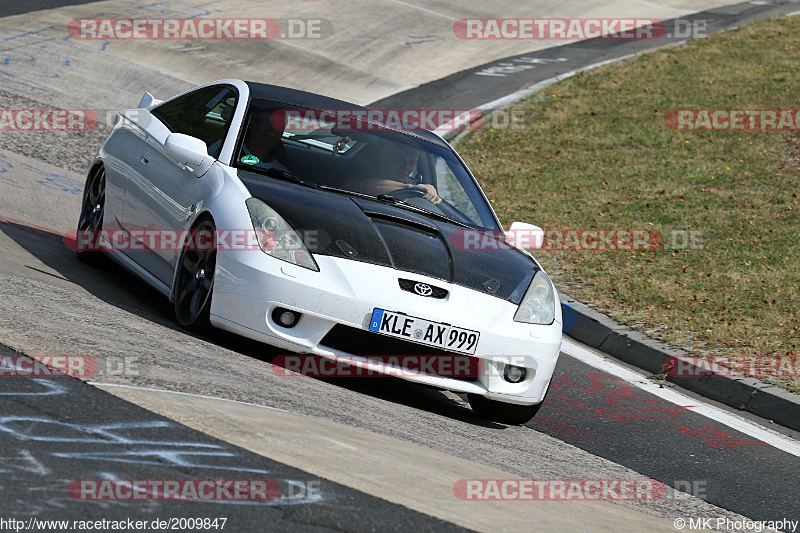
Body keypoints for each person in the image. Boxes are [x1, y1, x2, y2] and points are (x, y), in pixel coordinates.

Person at [348, 143, 441, 205]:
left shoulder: (415, 189)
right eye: (400, 159)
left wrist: (431, 194)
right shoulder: (359, 175)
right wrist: (410, 189)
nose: (406, 166)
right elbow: (361, 187)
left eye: (412, 163)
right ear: (383, 155)